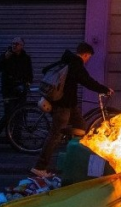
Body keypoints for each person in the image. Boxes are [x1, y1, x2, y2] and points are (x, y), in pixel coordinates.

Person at [31, 42, 113, 178]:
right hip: (63, 104)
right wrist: (104, 89)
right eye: (88, 58)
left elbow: (46, 70)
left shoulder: (67, 61)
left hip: (70, 104)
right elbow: (87, 81)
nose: (87, 61)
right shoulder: (75, 63)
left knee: (81, 127)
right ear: (86, 54)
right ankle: (39, 167)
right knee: (55, 135)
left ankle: (75, 158)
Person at [0, 37, 33, 131]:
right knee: (9, 114)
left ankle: (16, 140)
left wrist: (27, 83)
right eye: (13, 43)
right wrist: (5, 59)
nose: (14, 45)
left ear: (22, 46)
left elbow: (29, 74)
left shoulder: (26, 58)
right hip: (8, 91)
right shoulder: (7, 55)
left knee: (20, 114)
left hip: (21, 90)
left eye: (16, 44)